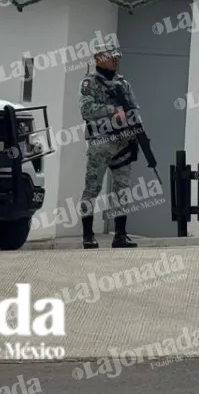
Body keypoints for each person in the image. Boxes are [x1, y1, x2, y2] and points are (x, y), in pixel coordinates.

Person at [77, 42, 156, 249]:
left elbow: (133, 108)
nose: (115, 60)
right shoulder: (89, 83)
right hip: (101, 144)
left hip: (123, 143)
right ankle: (87, 235)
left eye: (116, 57)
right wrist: (111, 110)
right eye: (110, 56)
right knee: (92, 188)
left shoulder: (123, 83)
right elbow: (86, 110)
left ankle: (120, 235)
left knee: (123, 190)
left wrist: (138, 132)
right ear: (98, 58)